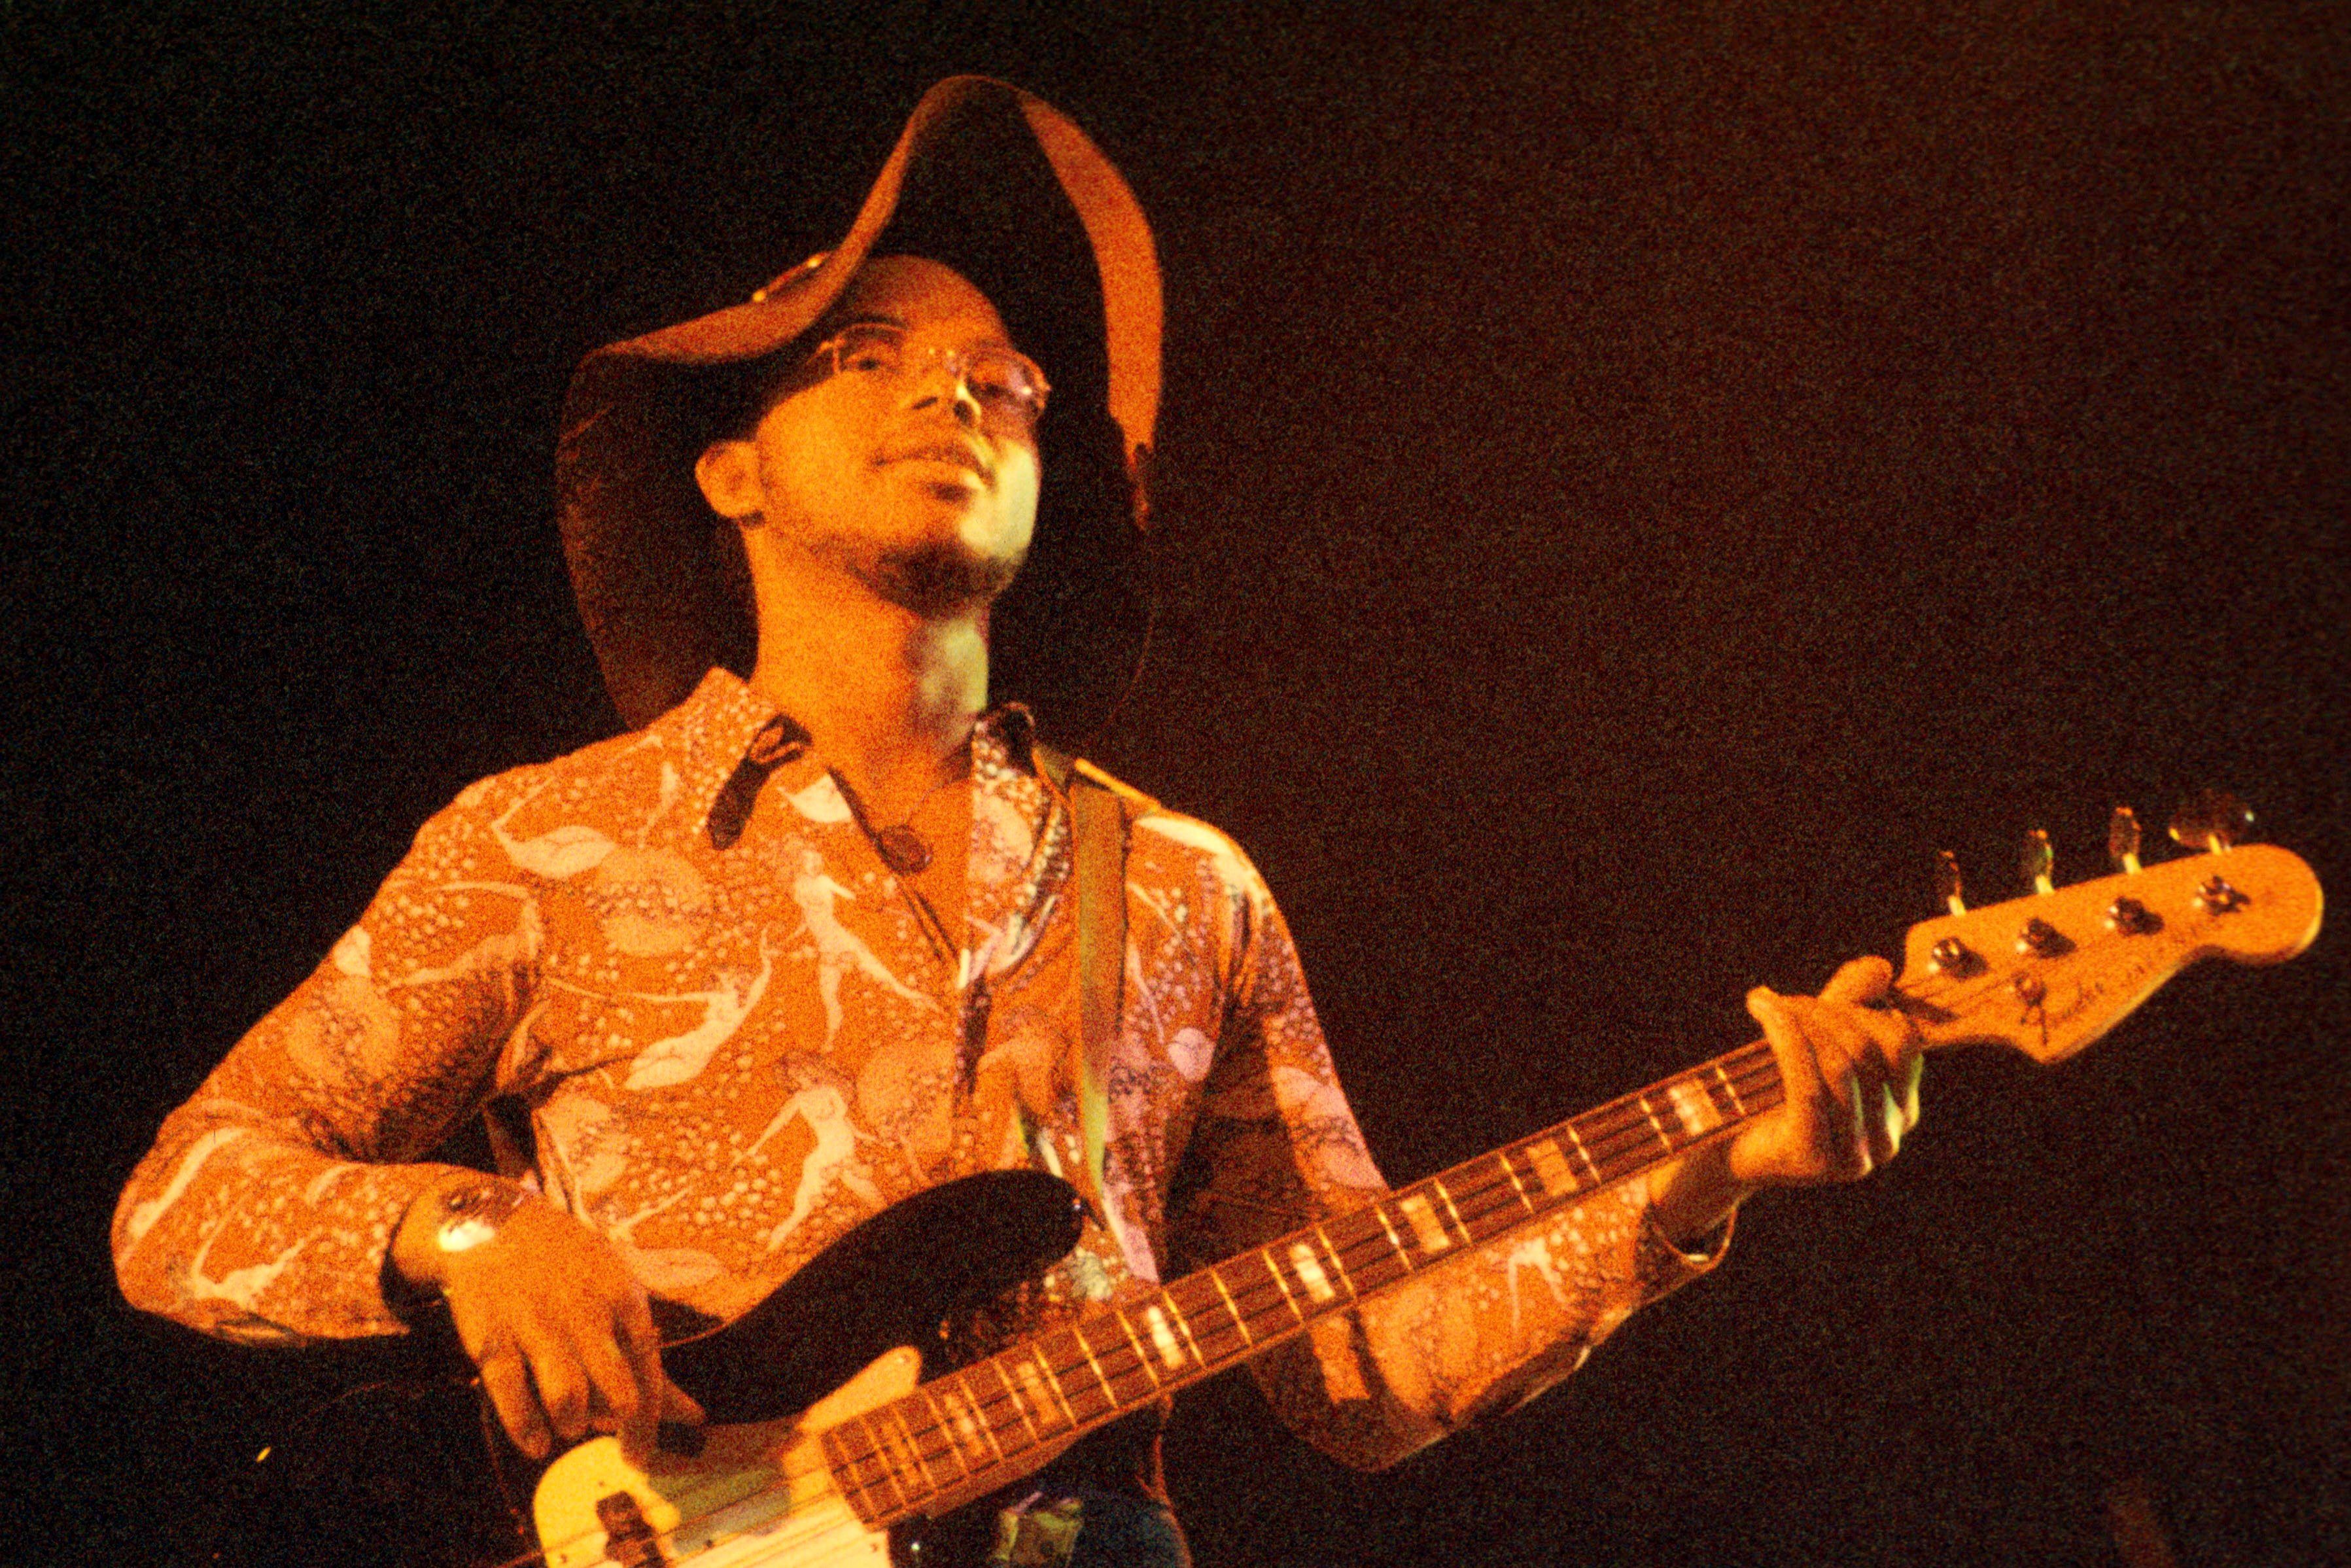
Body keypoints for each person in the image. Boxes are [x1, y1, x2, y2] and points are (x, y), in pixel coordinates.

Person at [114, 79, 1923, 1565]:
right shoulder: (545, 844)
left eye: (1008, 386)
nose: (955, 394)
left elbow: (1367, 1360)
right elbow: (183, 1200)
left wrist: (1710, 1173)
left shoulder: (1186, 889)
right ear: (728, 470)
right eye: (870, 355)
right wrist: (471, 1236)